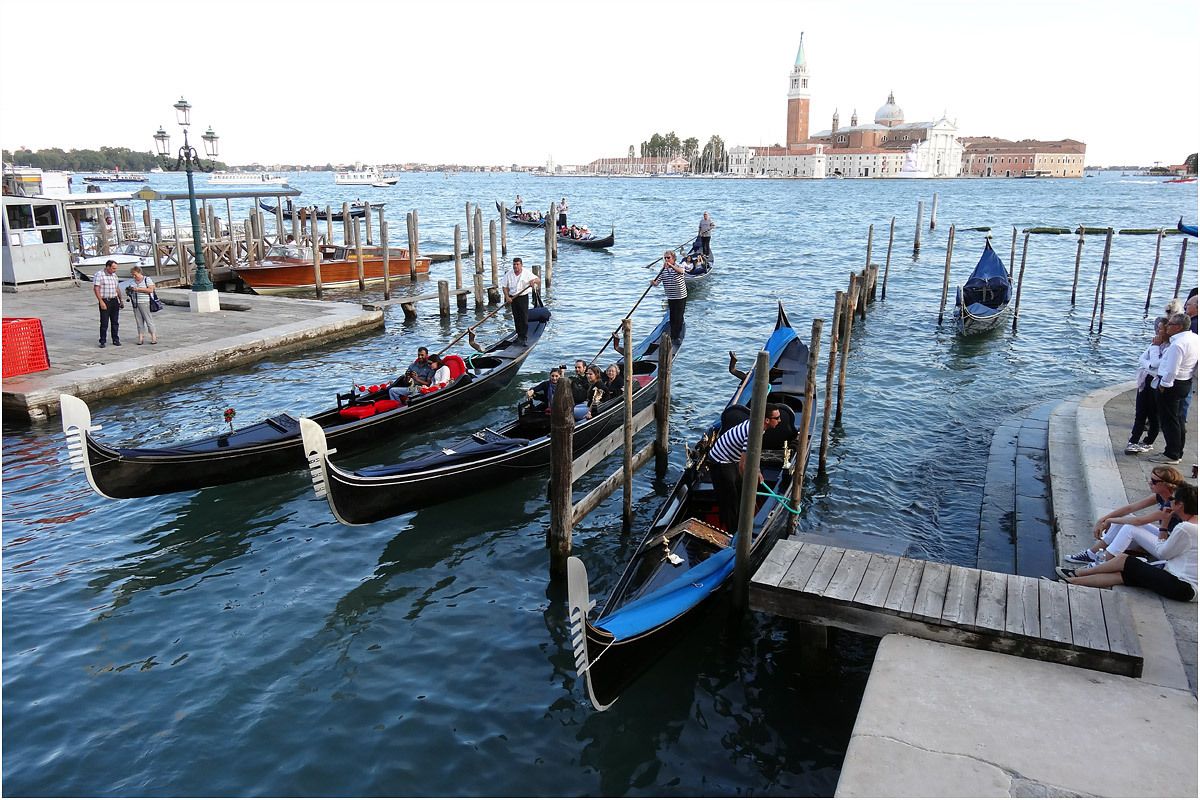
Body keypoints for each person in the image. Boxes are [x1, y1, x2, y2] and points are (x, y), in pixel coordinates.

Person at [1054, 483, 1196, 603]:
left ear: (1180, 505)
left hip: (1182, 585)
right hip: (1183, 585)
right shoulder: (1192, 524)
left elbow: (1162, 553)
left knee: (1124, 560)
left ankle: (1077, 573)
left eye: (1172, 500)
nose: (1169, 502)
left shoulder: (1185, 528)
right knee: (1122, 576)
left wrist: (1164, 525)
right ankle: (1071, 581)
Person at [1065, 465, 1185, 563]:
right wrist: (1102, 519)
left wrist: (1110, 520)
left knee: (1130, 527)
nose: (1149, 483)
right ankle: (1092, 553)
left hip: (1174, 550)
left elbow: (1139, 522)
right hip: (1166, 538)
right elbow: (1131, 508)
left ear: (1166, 485)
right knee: (1126, 518)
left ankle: (1104, 561)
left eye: (1154, 481)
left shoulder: (1173, 504)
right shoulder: (1161, 495)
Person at [707, 405, 784, 534]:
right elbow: (743, 465)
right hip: (720, 461)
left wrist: (757, 471)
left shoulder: (758, 427)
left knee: (739, 492)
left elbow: (753, 453)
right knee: (730, 499)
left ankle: (739, 523)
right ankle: (733, 534)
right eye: (777, 418)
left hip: (732, 459)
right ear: (766, 420)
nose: (780, 420)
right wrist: (749, 487)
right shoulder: (753, 432)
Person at [1153, 311, 1199, 465]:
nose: (1167, 326)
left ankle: (1171, 453)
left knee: (1169, 420)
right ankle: (1177, 451)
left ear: (1178, 327)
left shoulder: (1178, 345)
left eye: (1170, 324)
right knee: (1178, 418)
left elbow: (1172, 370)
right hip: (1185, 382)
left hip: (1172, 385)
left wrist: (1164, 385)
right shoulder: (1194, 338)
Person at [1124, 317, 1168, 454]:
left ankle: (1149, 441)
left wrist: (1154, 352)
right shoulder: (1155, 342)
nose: (1157, 330)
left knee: (1153, 414)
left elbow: (1157, 364)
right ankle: (1133, 440)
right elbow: (1143, 359)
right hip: (1146, 379)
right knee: (1141, 411)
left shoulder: (1168, 347)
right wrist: (1149, 365)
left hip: (1156, 382)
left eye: (1160, 328)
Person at [651, 249, 687, 342]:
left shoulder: (678, 266)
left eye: (668, 258)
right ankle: (673, 335)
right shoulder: (663, 270)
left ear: (673, 258)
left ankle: (677, 336)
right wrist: (653, 283)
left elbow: (681, 271)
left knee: (678, 316)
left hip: (680, 296)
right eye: (665, 258)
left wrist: (671, 266)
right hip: (671, 296)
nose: (666, 259)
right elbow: (657, 282)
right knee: (672, 316)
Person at [502, 257, 541, 345]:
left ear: (521, 265)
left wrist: (533, 281)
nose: (515, 266)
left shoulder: (526, 273)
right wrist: (507, 297)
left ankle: (523, 337)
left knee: (523, 317)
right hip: (513, 297)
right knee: (516, 317)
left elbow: (538, 280)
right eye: (514, 264)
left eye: (517, 264)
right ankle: (519, 335)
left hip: (523, 297)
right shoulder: (509, 274)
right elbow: (504, 286)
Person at [93, 259, 124, 347]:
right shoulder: (99, 275)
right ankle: (102, 340)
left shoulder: (114, 275)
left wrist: (120, 300)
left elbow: (117, 288)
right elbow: (96, 288)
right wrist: (101, 301)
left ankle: (115, 339)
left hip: (114, 299)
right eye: (113, 268)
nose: (115, 270)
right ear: (108, 267)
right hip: (105, 300)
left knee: (115, 321)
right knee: (104, 322)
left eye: (115, 269)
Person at [125, 266, 158, 346]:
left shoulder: (147, 279)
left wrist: (138, 289)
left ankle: (153, 337)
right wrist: (129, 291)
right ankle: (140, 337)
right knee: (139, 321)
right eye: (132, 275)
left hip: (145, 301)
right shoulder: (132, 281)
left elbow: (150, 290)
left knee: (148, 319)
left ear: (139, 273)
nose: (134, 276)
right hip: (135, 302)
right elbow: (130, 290)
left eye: (135, 274)